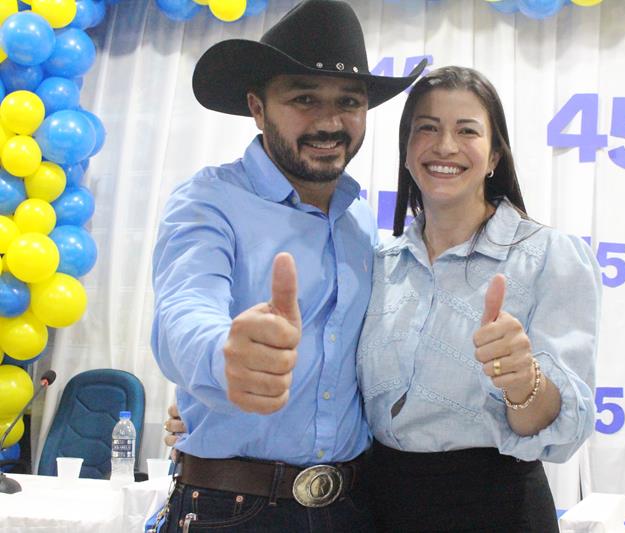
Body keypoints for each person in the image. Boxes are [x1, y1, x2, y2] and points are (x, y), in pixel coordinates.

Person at [150, 0, 425, 531]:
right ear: (258, 107)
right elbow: (183, 309)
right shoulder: (208, 201)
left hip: (354, 506)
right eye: (303, 98)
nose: (329, 121)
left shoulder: (361, 222)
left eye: (348, 101)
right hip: (233, 509)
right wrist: (224, 355)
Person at [356, 66, 601, 532]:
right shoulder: (377, 263)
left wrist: (523, 380)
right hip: (377, 505)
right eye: (426, 128)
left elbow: (559, 431)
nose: (445, 145)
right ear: (407, 152)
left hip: (496, 509)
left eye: (466, 130)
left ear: (493, 157)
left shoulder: (549, 256)